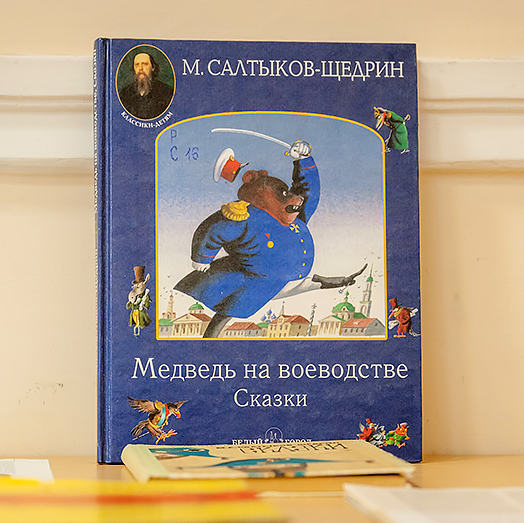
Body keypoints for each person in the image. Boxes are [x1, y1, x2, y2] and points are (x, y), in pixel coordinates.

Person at [119, 52, 173, 120]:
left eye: (144, 64)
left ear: (153, 67)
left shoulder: (166, 91)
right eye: (137, 65)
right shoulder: (125, 93)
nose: (140, 68)